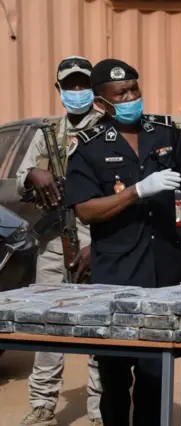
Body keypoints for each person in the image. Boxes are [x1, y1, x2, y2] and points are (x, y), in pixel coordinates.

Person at [64, 58, 181, 426]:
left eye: (134, 89)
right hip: (116, 276)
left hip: (164, 272)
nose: (130, 97)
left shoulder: (165, 133)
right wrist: (138, 191)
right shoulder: (89, 147)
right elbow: (86, 211)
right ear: (101, 103)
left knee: (156, 376)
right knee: (115, 378)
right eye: (120, 93)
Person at [15, 56, 103, 426]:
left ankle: (101, 408)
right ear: (59, 90)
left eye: (84, 85)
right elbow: (21, 179)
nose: (77, 92)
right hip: (54, 238)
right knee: (47, 322)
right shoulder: (47, 131)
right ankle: (42, 404)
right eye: (70, 86)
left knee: (101, 324)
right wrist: (34, 173)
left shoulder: (107, 128)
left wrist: (94, 245)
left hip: (97, 237)